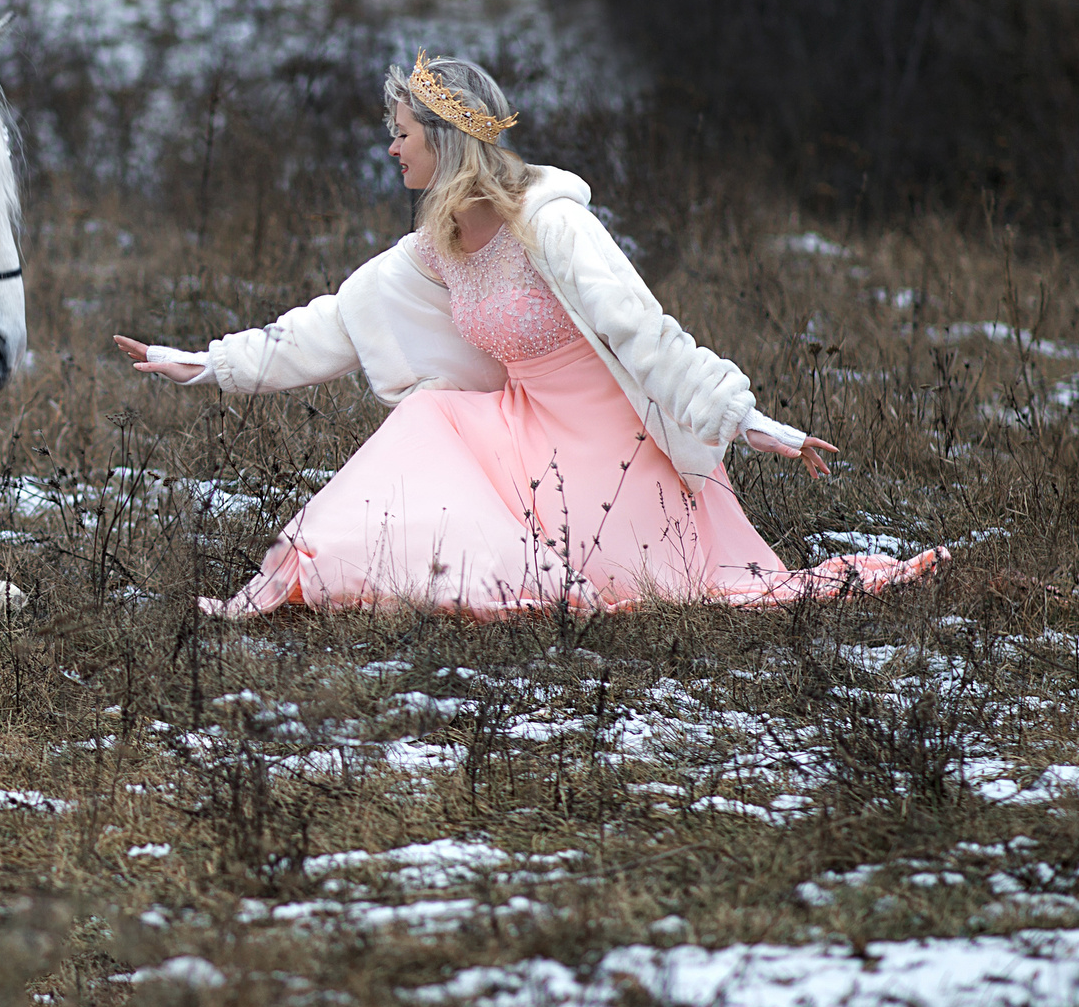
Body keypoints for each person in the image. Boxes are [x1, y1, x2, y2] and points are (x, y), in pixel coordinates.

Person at [114, 54, 945, 618]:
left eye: (402, 132)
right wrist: (205, 364)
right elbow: (335, 320)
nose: (391, 146)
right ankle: (347, 564)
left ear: (442, 140)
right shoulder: (437, 246)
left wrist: (749, 421)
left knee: (644, 586)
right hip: (523, 434)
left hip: (610, 450)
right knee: (429, 416)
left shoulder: (550, 225)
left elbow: (644, 330)